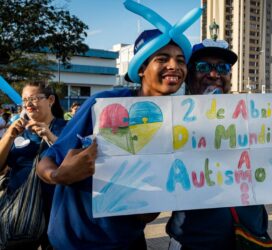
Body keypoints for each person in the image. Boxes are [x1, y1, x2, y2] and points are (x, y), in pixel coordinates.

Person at [36, 28, 189, 249]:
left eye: (180, 60)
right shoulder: (102, 104)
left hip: (127, 241)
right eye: (162, 59)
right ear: (142, 69)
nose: (174, 66)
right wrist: (60, 174)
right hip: (73, 240)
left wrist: (151, 204)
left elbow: (147, 214)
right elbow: (47, 161)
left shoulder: (179, 122)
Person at [166, 39, 272, 249]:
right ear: (188, 75)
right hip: (193, 241)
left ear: (230, 76)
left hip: (251, 236)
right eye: (203, 67)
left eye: (222, 68)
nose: (214, 74)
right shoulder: (169, 120)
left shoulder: (258, 117)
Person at [0, 82, 66, 249]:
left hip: (56, 211)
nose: (28, 104)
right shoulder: (18, 130)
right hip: (20, 210)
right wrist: (8, 136)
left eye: (34, 98)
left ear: (50, 100)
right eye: (25, 100)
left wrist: (50, 137)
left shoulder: (66, 128)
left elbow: (75, 161)